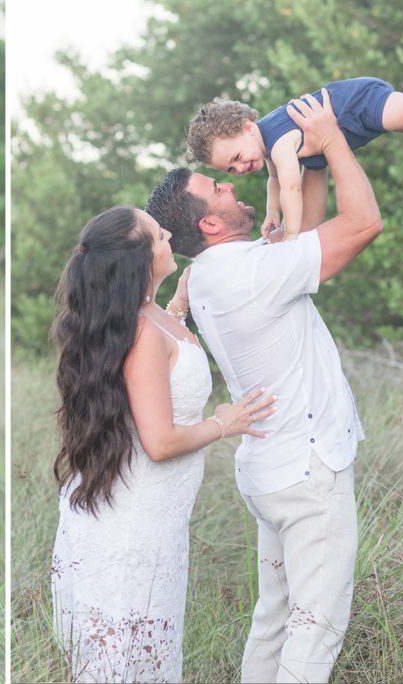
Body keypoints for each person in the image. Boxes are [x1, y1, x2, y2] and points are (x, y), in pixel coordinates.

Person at [146, 88, 382, 682]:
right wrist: (332, 141)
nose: (231, 185)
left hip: (270, 474)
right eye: (218, 189)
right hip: (307, 472)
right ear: (209, 223)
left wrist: (314, 156)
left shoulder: (209, 276)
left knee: (274, 620)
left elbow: (311, 228)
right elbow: (363, 224)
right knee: (316, 627)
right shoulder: (253, 273)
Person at [50, 206, 276, 682]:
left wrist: (179, 303)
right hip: (133, 525)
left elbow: (158, 361)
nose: (168, 233)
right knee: (124, 660)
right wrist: (222, 422)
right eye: (157, 235)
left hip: (149, 516)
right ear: (138, 260)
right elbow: (159, 441)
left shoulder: (144, 315)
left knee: (142, 655)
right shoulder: (139, 331)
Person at [186, 31, 403, 240]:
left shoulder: (279, 142)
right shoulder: (265, 145)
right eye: (231, 169)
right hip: (347, 120)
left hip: (354, 103)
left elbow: (292, 186)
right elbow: (275, 182)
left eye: (237, 158)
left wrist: (293, 233)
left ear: (247, 127)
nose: (240, 168)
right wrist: (272, 213)